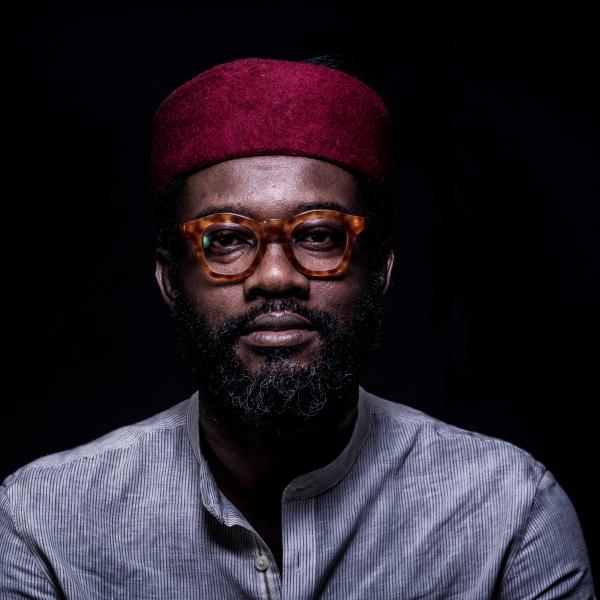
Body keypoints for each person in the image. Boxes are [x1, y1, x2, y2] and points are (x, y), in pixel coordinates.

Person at [0, 55, 595, 600]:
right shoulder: (46, 525)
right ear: (169, 279)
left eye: (319, 236)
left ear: (381, 269)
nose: (278, 277)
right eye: (227, 240)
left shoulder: (510, 514)